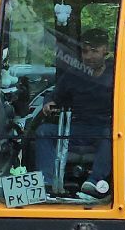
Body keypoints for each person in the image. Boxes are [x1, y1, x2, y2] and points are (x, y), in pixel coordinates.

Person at [36, 26, 115, 200]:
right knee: (43, 132)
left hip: (104, 129)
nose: (89, 56)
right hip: (76, 129)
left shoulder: (117, 74)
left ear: (105, 50)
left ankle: (94, 182)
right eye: (85, 51)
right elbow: (54, 95)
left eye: (94, 51)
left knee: (114, 134)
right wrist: (48, 102)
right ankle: (47, 183)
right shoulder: (74, 74)